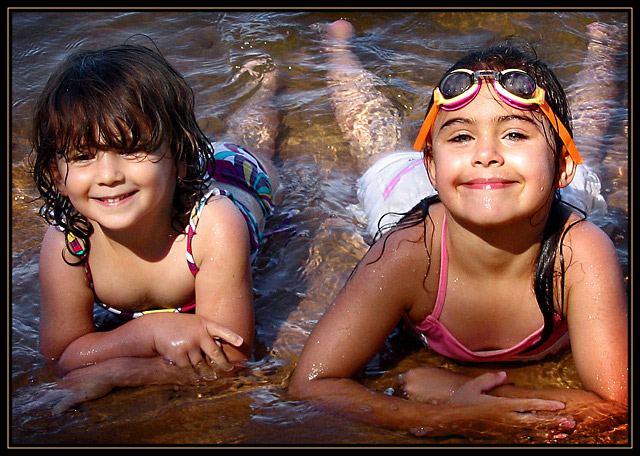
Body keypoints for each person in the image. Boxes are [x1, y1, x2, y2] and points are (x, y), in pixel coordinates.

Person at [288, 20, 627, 439]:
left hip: (538, 199)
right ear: (430, 164)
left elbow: (617, 406)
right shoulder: (408, 251)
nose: (486, 153)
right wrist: (445, 418)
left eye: (515, 133)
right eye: (462, 135)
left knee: (587, 136)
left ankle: (604, 47)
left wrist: (458, 392)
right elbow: (311, 386)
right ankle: (336, 48)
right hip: (408, 197)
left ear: (560, 168)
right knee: (373, 139)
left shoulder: (578, 252)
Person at [31, 44, 281, 410]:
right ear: (57, 176)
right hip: (163, 185)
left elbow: (233, 357)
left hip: (240, 181)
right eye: (83, 156)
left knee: (257, 138)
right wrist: (149, 333)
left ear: (181, 160)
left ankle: (267, 84)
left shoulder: (215, 228)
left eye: (132, 149)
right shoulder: (68, 243)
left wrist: (120, 373)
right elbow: (61, 358)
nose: (109, 176)